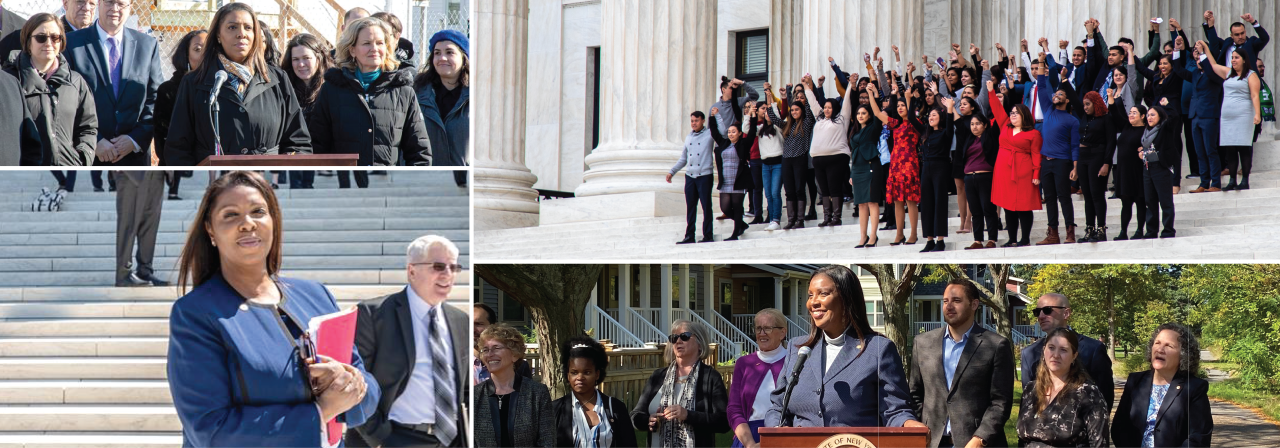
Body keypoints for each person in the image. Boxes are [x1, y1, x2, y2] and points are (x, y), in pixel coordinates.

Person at [167, 171, 380, 446]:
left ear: (273, 221)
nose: (247, 224)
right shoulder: (195, 313)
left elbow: (369, 390)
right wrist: (321, 412)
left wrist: (351, 383)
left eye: (258, 211)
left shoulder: (315, 294)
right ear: (211, 230)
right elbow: (209, 430)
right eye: (231, 215)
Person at [763, 265, 924, 431]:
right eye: (810, 295)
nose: (814, 302)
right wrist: (778, 429)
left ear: (847, 298)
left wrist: (910, 425)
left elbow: (896, 410)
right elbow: (777, 407)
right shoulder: (797, 349)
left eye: (823, 293)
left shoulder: (878, 350)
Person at [350, 236, 468, 447]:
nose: (448, 274)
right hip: (396, 438)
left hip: (451, 440)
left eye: (454, 267)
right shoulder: (372, 314)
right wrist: (378, 436)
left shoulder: (460, 320)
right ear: (412, 271)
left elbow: (464, 385)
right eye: (439, 266)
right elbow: (355, 380)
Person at [165, 3, 311, 165]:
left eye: (248, 28)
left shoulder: (278, 78)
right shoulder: (194, 82)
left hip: (267, 178)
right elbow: (177, 148)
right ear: (218, 36)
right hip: (214, 180)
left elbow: (298, 141)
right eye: (232, 27)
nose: (241, 34)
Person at [310, 16, 429, 167]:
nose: (374, 49)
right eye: (367, 43)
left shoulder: (403, 91)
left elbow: (419, 152)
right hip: (344, 184)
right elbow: (318, 145)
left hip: (385, 185)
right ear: (352, 50)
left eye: (380, 43)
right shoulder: (331, 90)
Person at [909, 280, 1014, 448]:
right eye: (945, 301)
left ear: (974, 304)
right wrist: (920, 428)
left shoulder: (995, 345)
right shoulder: (922, 343)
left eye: (956, 301)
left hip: (976, 443)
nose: (949, 306)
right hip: (932, 442)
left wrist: (980, 438)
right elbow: (914, 393)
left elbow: (1001, 402)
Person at [64, 0, 163, 166]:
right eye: (110, 2)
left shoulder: (147, 45)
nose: (115, 9)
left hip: (133, 157)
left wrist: (134, 139)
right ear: (99, 3)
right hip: (86, 155)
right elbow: (65, 101)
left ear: (130, 7)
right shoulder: (71, 44)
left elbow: (156, 99)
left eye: (121, 4)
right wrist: (94, 140)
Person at [4, 13, 97, 166]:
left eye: (55, 38)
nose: (48, 43)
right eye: (41, 37)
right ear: (28, 42)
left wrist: (83, 157)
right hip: (25, 172)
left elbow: (88, 126)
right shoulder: (10, 81)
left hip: (68, 170)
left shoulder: (76, 82)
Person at [1111, 323, 1213, 447]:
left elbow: (1198, 438)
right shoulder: (1135, 380)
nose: (1160, 349)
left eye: (1169, 346)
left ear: (1184, 355)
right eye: (1157, 343)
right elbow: (1119, 427)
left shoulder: (1194, 388)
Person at [632, 320, 729, 448]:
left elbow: (724, 422)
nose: (678, 341)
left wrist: (688, 415)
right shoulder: (658, 376)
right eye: (674, 338)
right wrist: (648, 421)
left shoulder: (710, 377)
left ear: (700, 344)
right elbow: (635, 415)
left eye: (685, 336)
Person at [1015, 327, 1111, 448]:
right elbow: (1022, 441)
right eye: (1051, 348)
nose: (1056, 355)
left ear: (1074, 356)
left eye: (1063, 350)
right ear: (1044, 351)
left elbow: (1099, 444)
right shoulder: (1030, 390)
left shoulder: (1088, 393)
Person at [1019, 293, 1115, 411]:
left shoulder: (1093, 349)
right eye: (1037, 312)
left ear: (1066, 313)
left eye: (1047, 310)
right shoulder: (1029, 353)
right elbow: (1029, 402)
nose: (1041, 316)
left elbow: (1105, 397)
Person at [474, 324, 554, 447]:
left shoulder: (537, 393)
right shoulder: (475, 395)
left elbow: (547, 442)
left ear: (515, 354)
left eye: (496, 348)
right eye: (485, 350)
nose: (489, 354)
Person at [552, 336, 639, 448]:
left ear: (597, 374)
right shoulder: (556, 410)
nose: (580, 377)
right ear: (568, 375)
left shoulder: (615, 408)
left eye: (587, 372)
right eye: (574, 372)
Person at [987, 80, 1043, 247]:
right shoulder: (1005, 125)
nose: (1012, 115)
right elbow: (997, 108)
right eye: (1011, 112)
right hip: (1004, 171)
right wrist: (991, 91)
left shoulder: (1034, 134)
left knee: (1024, 207)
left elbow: (1036, 155)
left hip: (1024, 172)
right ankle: (1012, 239)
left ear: (1024, 115)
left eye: (1016, 113)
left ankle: (1024, 239)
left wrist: (1036, 175)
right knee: (1008, 206)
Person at [867, 83, 922, 246]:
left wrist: (908, 98)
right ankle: (899, 234)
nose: (899, 108)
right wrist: (872, 94)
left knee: (911, 200)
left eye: (902, 105)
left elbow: (912, 113)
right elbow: (877, 112)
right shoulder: (895, 123)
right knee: (898, 200)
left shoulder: (914, 122)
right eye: (897, 106)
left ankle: (913, 234)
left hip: (910, 162)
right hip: (895, 164)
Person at [1202, 44, 1262, 191]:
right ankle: (1232, 180)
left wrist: (1257, 114)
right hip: (1227, 117)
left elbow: (1255, 95)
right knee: (1230, 149)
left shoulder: (1251, 75)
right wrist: (1204, 48)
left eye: (1236, 58)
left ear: (1243, 60)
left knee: (1243, 148)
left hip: (1244, 115)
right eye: (1232, 58)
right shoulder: (1228, 73)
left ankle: (1245, 180)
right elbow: (1213, 65)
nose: (1233, 60)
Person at [727, 309, 789, 448]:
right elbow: (734, 409)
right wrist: (750, 444)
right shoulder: (744, 363)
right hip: (749, 437)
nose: (761, 333)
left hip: (785, 437)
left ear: (782, 333)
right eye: (758, 328)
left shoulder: (793, 362)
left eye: (767, 328)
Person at [417, 29, 469, 186]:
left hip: (465, 183)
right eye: (437, 53)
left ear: (464, 57)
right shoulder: (417, 93)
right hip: (426, 181)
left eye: (449, 52)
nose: (442, 58)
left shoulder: (478, 97)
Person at [282, 33, 331, 189]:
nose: (301, 64)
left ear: (318, 58)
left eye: (306, 58)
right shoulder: (283, 88)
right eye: (296, 59)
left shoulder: (332, 87)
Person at [154, 30, 207, 167]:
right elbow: (163, 143)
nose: (205, 55)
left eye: (210, 49)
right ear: (186, 56)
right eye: (198, 49)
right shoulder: (168, 90)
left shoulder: (222, 87)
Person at [708, 102, 756, 241]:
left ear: (740, 133)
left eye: (733, 131)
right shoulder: (724, 144)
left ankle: (735, 233)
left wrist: (752, 116)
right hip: (726, 182)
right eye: (729, 132)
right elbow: (714, 132)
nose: (730, 134)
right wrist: (712, 117)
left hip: (738, 181)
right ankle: (741, 224)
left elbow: (752, 132)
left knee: (737, 207)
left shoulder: (743, 144)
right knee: (725, 208)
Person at [669, 109, 718, 244]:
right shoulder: (688, 137)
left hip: (704, 176)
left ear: (703, 121)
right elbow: (683, 158)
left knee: (706, 206)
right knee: (691, 207)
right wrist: (672, 171)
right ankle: (689, 235)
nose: (694, 123)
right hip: (690, 176)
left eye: (696, 120)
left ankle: (708, 235)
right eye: (692, 121)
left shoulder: (710, 134)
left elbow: (722, 134)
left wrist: (716, 117)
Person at [770, 82, 815, 230]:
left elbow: (808, 109)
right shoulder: (787, 125)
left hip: (800, 158)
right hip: (787, 160)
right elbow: (775, 120)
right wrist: (770, 100)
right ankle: (791, 219)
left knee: (799, 189)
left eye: (797, 109)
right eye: (793, 110)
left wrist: (805, 93)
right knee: (789, 190)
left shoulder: (807, 123)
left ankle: (799, 220)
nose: (794, 111)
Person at [957, 107, 1001, 250]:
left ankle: (992, 239)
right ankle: (978, 240)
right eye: (972, 124)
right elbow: (957, 123)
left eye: (977, 124)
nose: (974, 127)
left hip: (985, 176)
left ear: (985, 125)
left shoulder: (990, 136)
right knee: (975, 211)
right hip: (969, 178)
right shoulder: (968, 139)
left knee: (988, 209)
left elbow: (1000, 119)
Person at [1076, 91, 1116, 243]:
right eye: (1084, 104)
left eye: (1088, 104)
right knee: (1087, 195)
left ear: (1096, 103)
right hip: (1083, 156)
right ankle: (1089, 229)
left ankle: (1101, 230)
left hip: (1097, 156)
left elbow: (1111, 142)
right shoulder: (1085, 116)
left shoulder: (1106, 118)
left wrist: (1106, 163)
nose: (1085, 107)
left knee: (1096, 194)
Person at [918, 93, 955, 252]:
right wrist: (908, 98)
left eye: (934, 115)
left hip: (941, 167)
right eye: (930, 115)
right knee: (926, 204)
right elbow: (913, 120)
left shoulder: (945, 133)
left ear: (940, 117)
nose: (931, 117)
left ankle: (940, 240)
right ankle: (929, 240)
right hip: (926, 168)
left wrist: (950, 109)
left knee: (940, 202)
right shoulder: (926, 134)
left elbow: (950, 122)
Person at [115, 171, 166, 287]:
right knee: (128, 224)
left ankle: (145, 270)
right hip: (131, 172)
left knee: (151, 224)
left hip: (158, 171)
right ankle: (123, 273)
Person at [1139, 104, 1179, 239]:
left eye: (1153, 115)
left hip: (1161, 168)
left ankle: (1168, 230)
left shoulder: (1165, 128)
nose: (1149, 117)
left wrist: (1167, 105)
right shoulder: (1145, 131)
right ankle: (1151, 231)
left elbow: (1175, 117)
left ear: (1160, 116)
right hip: (1147, 168)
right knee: (1150, 201)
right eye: (1148, 115)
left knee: (1165, 201)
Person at [1111, 103, 1151, 241]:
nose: (1131, 115)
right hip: (1124, 171)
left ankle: (1140, 230)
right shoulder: (1126, 126)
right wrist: (1112, 100)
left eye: (1134, 113)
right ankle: (1123, 232)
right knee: (1125, 203)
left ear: (1142, 116)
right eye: (1130, 112)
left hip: (1138, 171)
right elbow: (1116, 114)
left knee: (1140, 201)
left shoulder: (1146, 131)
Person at [848, 102, 884, 248]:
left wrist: (872, 93)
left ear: (869, 115)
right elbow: (853, 153)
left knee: (872, 202)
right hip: (857, 169)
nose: (860, 116)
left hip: (871, 167)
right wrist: (851, 173)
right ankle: (863, 236)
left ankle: (873, 236)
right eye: (858, 113)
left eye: (863, 113)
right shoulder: (854, 132)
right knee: (861, 204)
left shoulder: (874, 128)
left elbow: (877, 113)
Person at [755, 87, 784, 231]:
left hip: (778, 163)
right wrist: (750, 113)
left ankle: (776, 219)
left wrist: (770, 99)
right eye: (765, 111)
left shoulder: (778, 128)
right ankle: (772, 218)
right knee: (768, 194)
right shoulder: (760, 129)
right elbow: (745, 128)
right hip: (765, 165)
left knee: (775, 192)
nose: (767, 114)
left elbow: (776, 116)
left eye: (769, 111)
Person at [1202, 10, 1269, 67]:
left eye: (1242, 33)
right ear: (1232, 36)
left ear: (1245, 32)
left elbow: (1265, 38)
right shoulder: (1227, 42)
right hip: (1227, 79)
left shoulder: (1252, 44)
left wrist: (1253, 22)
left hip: (1245, 80)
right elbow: (1213, 40)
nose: (1240, 37)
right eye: (1237, 35)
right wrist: (1209, 23)